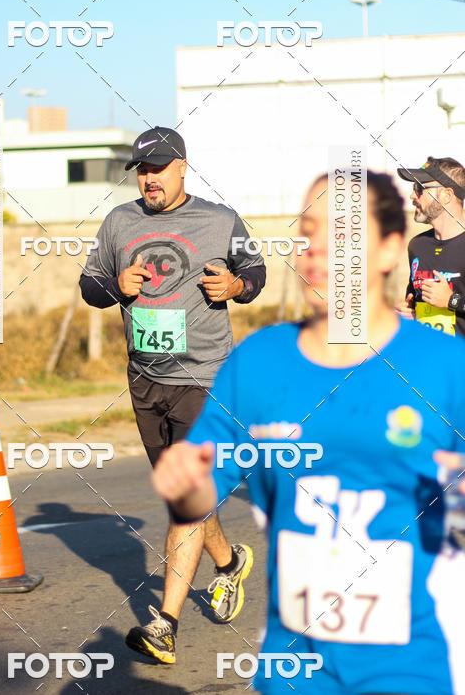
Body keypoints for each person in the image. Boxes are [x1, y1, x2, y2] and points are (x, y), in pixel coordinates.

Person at [153, 171, 465, 694]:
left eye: (341, 234)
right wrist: (186, 484)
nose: (316, 248)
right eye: (307, 232)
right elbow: (202, 493)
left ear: (391, 250)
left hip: (413, 669)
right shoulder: (257, 363)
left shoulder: (446, 369)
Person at [79, 126, 266, 664]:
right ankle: (229, 564)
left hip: (205, 377)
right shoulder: (119, 222)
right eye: (142, 170)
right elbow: (90, 286)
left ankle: (164, 625)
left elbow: (256, 273)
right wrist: (116, 286)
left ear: (182, 166)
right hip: (145, 378)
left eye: (158, 168)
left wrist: (235, 286)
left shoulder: (220, 220)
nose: (149, 179)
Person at [396, 156, 465, 337]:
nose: (412, 196)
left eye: (419, 188)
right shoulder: (418, 245)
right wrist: (408, 313)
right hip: (427, 353)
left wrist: (451, 300)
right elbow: (414, 301)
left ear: (446, 195)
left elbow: (450, 301)